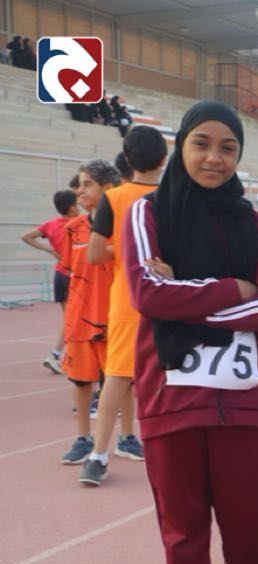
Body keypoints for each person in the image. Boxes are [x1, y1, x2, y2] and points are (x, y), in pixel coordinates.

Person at [123, 101, 258, 564]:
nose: (214, 158)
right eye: (202, 143)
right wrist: (232, 290)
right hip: (170, 395)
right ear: (181, 147)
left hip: (241, 402)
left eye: (228, 147)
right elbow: (147, 293)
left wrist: (188, 300)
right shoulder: (149, 213)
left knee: (249, 520)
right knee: (183, 525)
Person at [79, 126, 168, 486]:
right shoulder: (175, 195)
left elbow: (94, 254)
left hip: (128, 299)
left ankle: (97, 457)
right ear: (164, 158)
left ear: (127, 159)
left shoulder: (114, 198)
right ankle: (173, 455)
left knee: (115, 378)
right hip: (171, 296)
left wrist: (125, 250)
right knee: (174, 377)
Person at [59, 159, 121, 466]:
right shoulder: (73, 229)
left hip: (115, 317)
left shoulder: (123, 227)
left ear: (107, 188)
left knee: (119, 382)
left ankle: (125, 437)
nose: (79, 191)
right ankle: (83, 437)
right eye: (79, 185)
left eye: (87, 185)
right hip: (80, 318)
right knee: (81, 382)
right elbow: (69, 271)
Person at [22, 189, 79, 374]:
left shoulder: (51, 225)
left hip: (59, 275)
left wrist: (49, 250)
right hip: (73, 276)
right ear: (72, 207)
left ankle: (65, 355)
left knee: (70, 318)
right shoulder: (79, 223)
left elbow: (26, 236)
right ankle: (56, 355)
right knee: (74, 319)